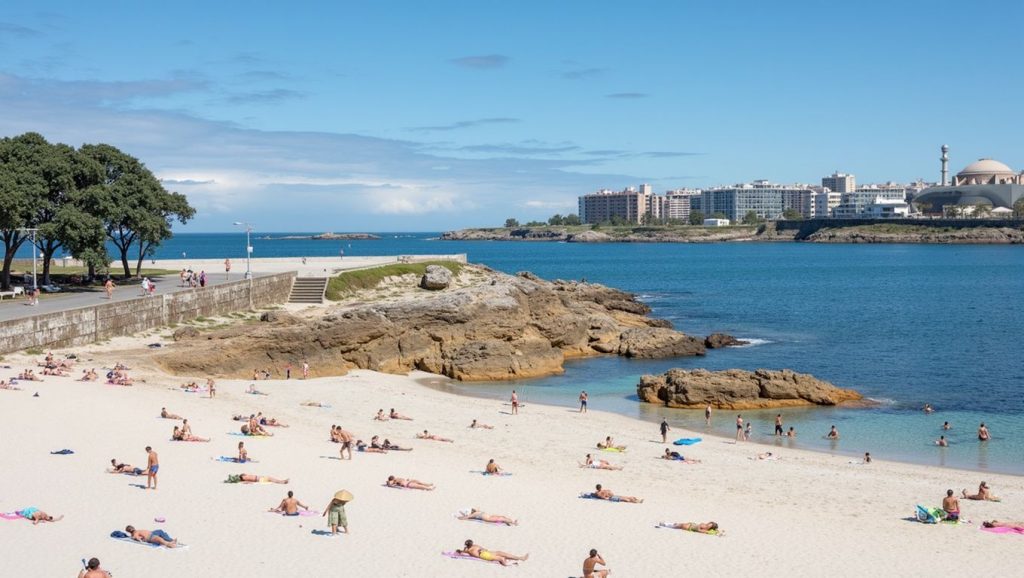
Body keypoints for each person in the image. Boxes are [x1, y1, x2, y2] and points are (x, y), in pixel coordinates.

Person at [455, 539, 528, 566]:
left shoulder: (472, 546)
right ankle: (511, 563)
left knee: (501, 552)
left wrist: (484, 550)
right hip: (484, 555)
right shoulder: (469, 550)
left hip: (487, 552)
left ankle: (520, 558)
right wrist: (460, 551)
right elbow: (463, 553)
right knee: (501, 558)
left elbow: (483, 548)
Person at [225, 473, 289, 484]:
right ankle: (282, 482)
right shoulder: (244, 478)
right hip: (258, 479)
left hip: (258, 478)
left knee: (270, 478)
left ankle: (282, 481)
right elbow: (248, 482)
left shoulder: (244, 476)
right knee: (271, 479)